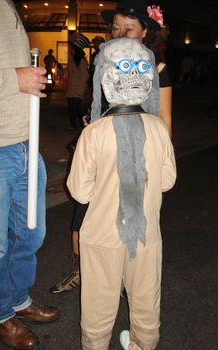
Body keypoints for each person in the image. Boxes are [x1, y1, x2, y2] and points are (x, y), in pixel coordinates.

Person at [49, 0, 173, 294]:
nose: (119, 34)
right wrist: (90, 122)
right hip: (102, 149)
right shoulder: (103, 60)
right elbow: (98, 103)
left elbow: (164, 117)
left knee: (132, 217)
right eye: (115, 28)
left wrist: (161, 159)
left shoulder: (156, 67)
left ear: (145, 32)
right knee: (82, 218)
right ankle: (82, 270)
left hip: (138, 154)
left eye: (128, 29)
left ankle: (124, 277)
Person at [67, 37, 176, 350]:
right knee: (145, 300)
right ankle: (142, 345)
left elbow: (79, 191)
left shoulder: (94, 132)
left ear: (105, 79)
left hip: (101, 237)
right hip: (147, 236)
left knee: (98, 305)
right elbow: (167, 181)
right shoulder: (157, 128)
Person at [0, 1, 60, 349]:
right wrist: (14, 79)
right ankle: (0, 313)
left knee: (30, 233)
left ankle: (17, 298)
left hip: (25, 141)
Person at [66, 33, 90, 130]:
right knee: (72, 110)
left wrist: (80, 92)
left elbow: (84, 77)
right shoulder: (72, 60)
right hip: (71, 90)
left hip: (77, 92)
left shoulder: (82, 61)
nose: (70, 49)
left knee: (78, 110)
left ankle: (83, 127)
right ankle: (74, 126)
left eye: (72, 47)